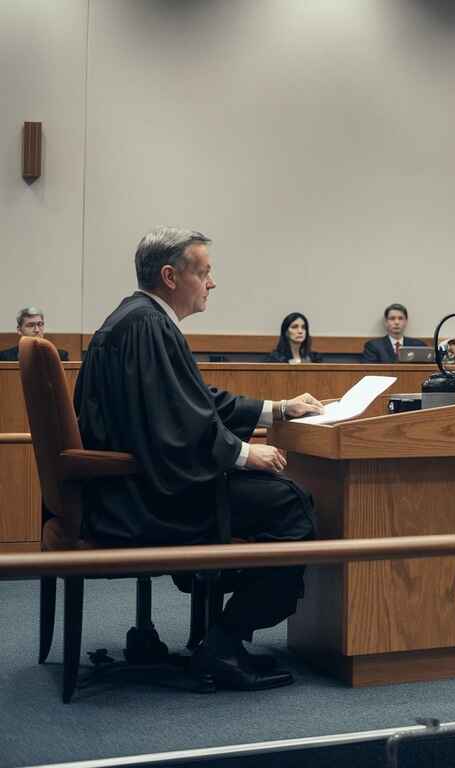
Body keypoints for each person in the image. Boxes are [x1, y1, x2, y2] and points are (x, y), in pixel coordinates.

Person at [74, 226, 324, 691]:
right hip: (140, 501)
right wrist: (245, 453)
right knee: (293, 506)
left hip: (128, 488)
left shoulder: (138, 319)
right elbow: (175, 426)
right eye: (204, 272)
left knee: (279, 500)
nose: (212, 283)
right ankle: (223, 646)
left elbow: (193, 402)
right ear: (170, 275)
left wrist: (277, 409)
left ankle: (218, 632)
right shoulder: (147, 324)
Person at [361, 303, 426, 363]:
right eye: (392, 318)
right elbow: (370, 371)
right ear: (386, 322)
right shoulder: (373, 346)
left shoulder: (419, 346)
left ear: (406, 321)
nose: (396, 322)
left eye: (400, 318)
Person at [0, 307, 69, 361]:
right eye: (30, 325)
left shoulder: (60, 356)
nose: (37, 330)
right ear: (19, 330)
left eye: (40, 324)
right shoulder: (4, 357)